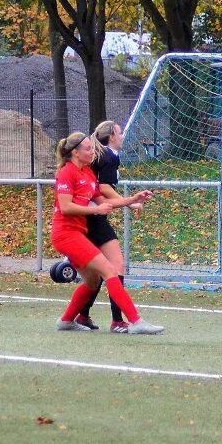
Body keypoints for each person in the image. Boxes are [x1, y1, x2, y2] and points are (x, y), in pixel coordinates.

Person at [52, 132, 164, 335]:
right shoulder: (66, 172)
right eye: (88, 148)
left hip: (77, 233)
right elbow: (66, 207)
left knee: (92, 281)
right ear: (75, 153)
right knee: (109, 271)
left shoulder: (87, 173)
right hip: (66, 234)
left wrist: (132, 199)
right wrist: (96, 210)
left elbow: (104, 201)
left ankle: (66, 320)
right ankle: (136, 321)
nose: (92, 151)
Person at [74, 120, 138, 333]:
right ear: (111, 136)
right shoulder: (109, 156)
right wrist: (129, 202)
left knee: (100, 272)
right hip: (93, 218)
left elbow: (98, 189)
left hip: (90, 216)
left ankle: (82, 315)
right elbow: (103, 188)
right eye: (119, 133)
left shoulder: (102, 155)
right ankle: (117, 321)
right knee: (116, 265)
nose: (122, 136)